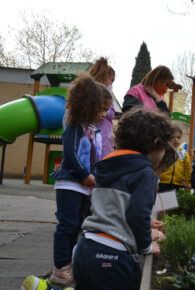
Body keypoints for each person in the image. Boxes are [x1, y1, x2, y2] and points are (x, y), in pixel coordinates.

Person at [72, 108, 173, 290]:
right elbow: (136, 214)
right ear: (157, 143)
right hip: (114, 256)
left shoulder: (107, 165)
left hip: (85, 247)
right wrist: (146, 246)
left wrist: (147, 224)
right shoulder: (145, 173)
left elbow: (113, 206)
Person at [50, 73, 113, 285]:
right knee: (66, 226)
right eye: (101, 109)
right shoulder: (75, 128)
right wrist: (85, 175)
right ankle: (60, 267)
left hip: (85, 187)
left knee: (77, 226)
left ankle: (69, 263)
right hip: (71, 184)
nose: (104, 114)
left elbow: (95, 158)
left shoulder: (93, 130)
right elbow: (71, 154)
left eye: (106, 109)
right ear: (87, 105)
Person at [89, 57, 116, 157]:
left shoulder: (106, 94)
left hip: (104, 140)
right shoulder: (99, 94)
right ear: (105, 76)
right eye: (111, 80)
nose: (112, 83)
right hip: (100, 141)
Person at [159, 126, 192, 192]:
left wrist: (188, 182)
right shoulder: (164, 151)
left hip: (178, 183)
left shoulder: (183, 152)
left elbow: (187, 168)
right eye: (172, 137)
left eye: (178, 137)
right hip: (163, 182)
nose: (176, 140)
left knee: (174, 201)